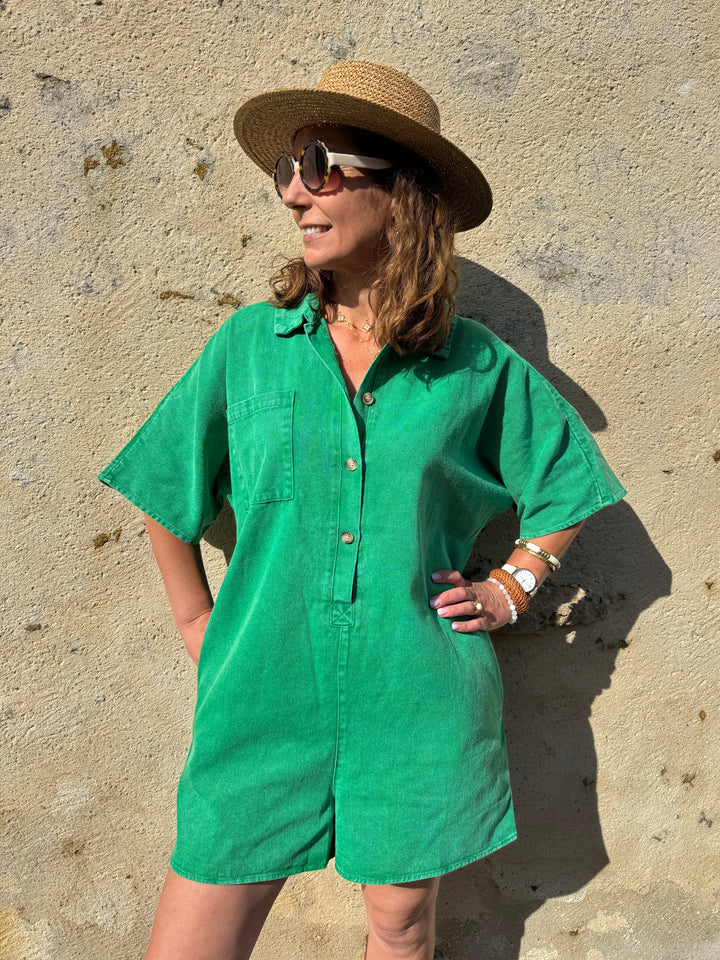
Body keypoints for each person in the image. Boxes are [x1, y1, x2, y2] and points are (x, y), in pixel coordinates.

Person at [99, 61, 626, 960]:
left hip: (416, 693)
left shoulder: (474, 365)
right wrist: (196, 622)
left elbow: (567, 484)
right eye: (287, 171)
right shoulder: (250, 346)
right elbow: (164, 483)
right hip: (260, 692)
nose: (293, 192)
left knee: (401, 927)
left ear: (401, 192)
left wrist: (513, 585)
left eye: (319, 166)